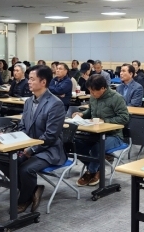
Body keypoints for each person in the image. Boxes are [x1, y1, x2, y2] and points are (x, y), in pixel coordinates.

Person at [15, 65, 67, 213]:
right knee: (6, 161)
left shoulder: (55, 104)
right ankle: (33, 189)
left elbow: (50, 136)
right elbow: (22, 126)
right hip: (29, 146)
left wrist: (31, 149)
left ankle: (24, 199)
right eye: (29, 79)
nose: (28, 82)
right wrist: (22, 144)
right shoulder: (28, 102)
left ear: (43, 82)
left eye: (32, 79)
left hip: (49, 150)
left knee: (25, 169)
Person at [74, 75, 130, 187]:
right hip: (94, 133)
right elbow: (90, 112)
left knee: (98, 146)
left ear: (103, 88)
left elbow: (124, 118)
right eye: (90, 91)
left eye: (93, 91)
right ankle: (98, 169)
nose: (92, 94)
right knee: (76, 143)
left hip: (114, 135)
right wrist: (82, 115)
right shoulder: (93, 97)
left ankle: (90, 172)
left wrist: (104, 121)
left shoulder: (116, 98)